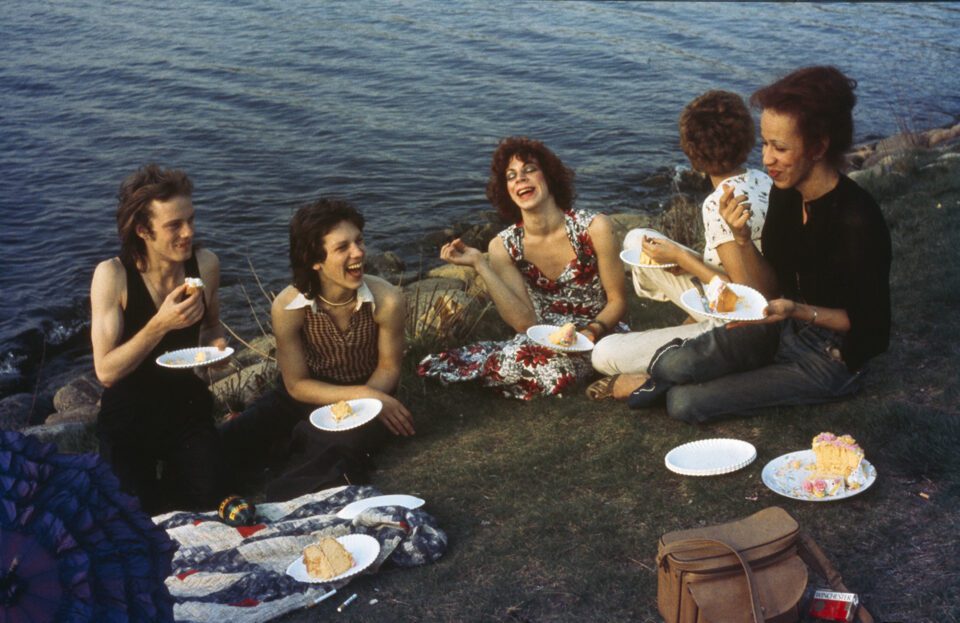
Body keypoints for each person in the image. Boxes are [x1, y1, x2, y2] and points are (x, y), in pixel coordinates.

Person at [617, 66, 891, 423]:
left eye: (780, 148)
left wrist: (796, 310)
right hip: (783, 326)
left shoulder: (857, 219)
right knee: (674, 363)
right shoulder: (785, 194)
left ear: (819, 147)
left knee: (684, 403)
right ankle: (671, 374)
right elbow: (769, 290)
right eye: (764, 144)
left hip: (832, 357)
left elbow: (872, 330)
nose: (766, 159)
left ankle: (672, 382)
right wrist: (743, 240)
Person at [219, 198, 413, 501]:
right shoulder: (289, 306)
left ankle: (282, 499)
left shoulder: (386, 300)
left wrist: (368, 398)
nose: (358, 252)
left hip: (369, 394)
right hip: (306, 394)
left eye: (359, 241)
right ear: (314, 260)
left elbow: (389, 368)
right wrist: (363, 395)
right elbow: (296, 384)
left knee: (333, 445)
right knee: (231, 438)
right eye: (343, 247)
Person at [589, 90, 773, 400]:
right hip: (745, 297)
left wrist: (681, 258)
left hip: (736, 321)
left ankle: (661, 369)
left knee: (603, 353)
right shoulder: (761, 179)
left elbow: (743, 298)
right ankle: (688, 325)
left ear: (691, 153)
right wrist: (683, 260)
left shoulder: (718, 203)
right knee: (638, 239)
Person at [417, 137, 627, 400]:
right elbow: (524, 323)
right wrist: (481, 265)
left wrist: (591, 331)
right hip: (542, 338)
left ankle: (493, 375)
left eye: (530, 170)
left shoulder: (595, 227)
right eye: (511, 176)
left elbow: (618, 301)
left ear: (549, 176)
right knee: (526, 360)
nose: (520, 179)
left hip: (600, 331)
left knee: (551, 370)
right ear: (506, 190)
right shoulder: (503, 246)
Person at [91, 164, 227, 514]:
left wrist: (218, 349)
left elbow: (212, 327)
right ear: (143, 231)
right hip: (128, 418)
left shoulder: (205, 265)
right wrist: (160, 324)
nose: (188, 232)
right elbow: (106, 372)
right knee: (134, 516)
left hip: (185, 407)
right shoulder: (113, 276)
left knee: (209, 504)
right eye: (174, 225)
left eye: (191, 220)